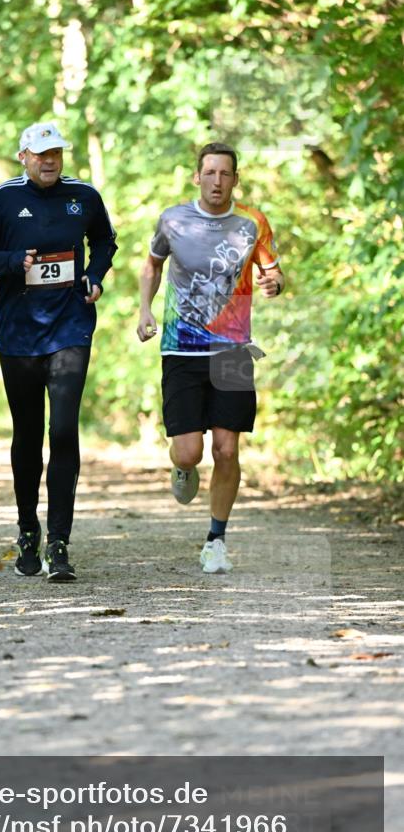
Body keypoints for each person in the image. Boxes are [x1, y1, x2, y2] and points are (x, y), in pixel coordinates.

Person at [0, 121, 117, 581]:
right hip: (20, 335)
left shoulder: (84, 196)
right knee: (28, 436)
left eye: (57, 153)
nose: (50, 161)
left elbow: (105, 241)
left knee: (64, 430)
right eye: (41, 153)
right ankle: (28, 529)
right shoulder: (4, 199)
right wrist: (14, 262)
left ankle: (60, 542)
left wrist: (95, 274)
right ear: (23, 156)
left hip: (70, 328)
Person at [137, 142, 284, 574]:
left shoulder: (252, 223)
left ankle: (216, 540)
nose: (217, 181)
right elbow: (152, 265)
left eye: (225, 174)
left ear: (235, 180)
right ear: (196, 177)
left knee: (226, 448)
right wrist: (145, 309)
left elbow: (272, 270)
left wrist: (275, 283)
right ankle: (181, 470)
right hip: (181, 347)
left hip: (233, 349)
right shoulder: (173, 219)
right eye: (210, 172)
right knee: (188, 452)